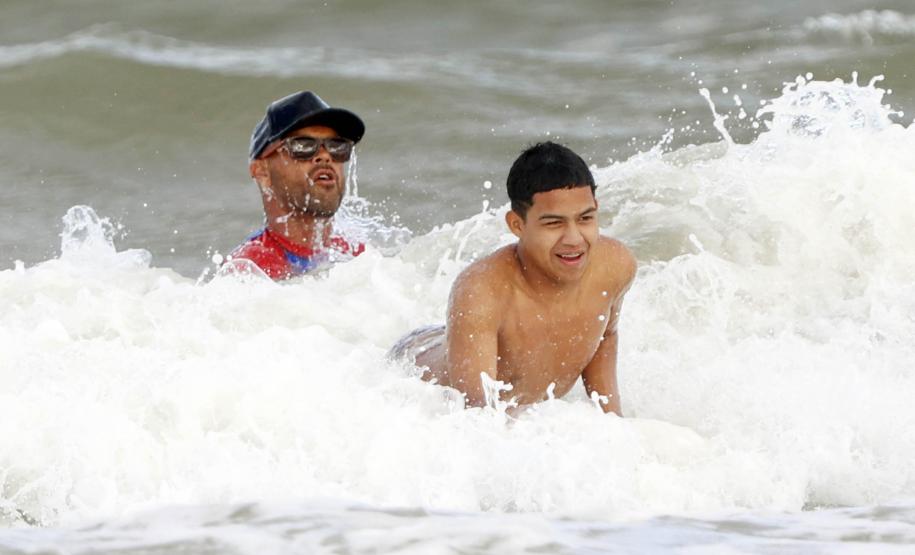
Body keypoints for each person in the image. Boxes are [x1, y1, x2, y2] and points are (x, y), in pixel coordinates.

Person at [390, 142, 636, 415]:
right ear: (517, 224)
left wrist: (613, 422)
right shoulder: (482, 290)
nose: (574, 239)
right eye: (553, 223)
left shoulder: (615, 265)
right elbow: (474, 418)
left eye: (585, 218)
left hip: (461, 339)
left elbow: (605, 336)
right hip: (413, 364)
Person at [225, 91, 366, 280]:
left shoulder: (357, 255)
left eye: (337, 146)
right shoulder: (251, 270)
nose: (325, 155)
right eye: (303, 145)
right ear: (262, 171)